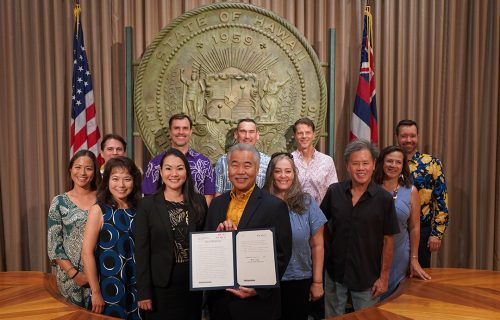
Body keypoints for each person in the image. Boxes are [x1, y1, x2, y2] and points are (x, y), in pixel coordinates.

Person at [205, 143, 292, 320]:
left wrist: (258, 288)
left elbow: (282, 255)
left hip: (257, 304)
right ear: (228, 168)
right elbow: (207, 248)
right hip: (220, 303)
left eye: (247, 165)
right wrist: (217, 235)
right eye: (235, 164)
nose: (240, 171)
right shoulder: (216, 204)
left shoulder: (275, 206)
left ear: (257, 168)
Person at [320, 139, 399, 316]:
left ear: (373, 165)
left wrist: (384, 277)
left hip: (368, 277)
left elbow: (388, 240)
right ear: (348, 166)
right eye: (356, 163)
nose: (361, 168)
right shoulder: (334, 192)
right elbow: (321, 226)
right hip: (335, 273)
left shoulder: (384, 199)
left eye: (365, 163)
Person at [135, 148, 207, 320]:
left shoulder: (199, 201)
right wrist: (144, 292)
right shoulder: (147, 204)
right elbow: (141, 251)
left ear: (187, 172)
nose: (174, 174)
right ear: (160, 172)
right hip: (160, 287)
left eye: (180, 168)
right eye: (168, 168)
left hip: (192, 286)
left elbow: (206, 240)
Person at [263, 152, 326, 320]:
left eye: (288, 171)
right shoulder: (259, 203)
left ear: (294, 174)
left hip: (299, 279)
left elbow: (317, 245)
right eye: (278, 171)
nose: (283, 176)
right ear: (271, 174)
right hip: (266, 281)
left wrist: (318, 282)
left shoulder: (307, 202)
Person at [82, 157, 142, 318]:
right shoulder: (99, 210)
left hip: (138, 286)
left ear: (134, 182)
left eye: (127, 179)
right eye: (115, 179)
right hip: (110, 287)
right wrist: (95, 292)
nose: (121, 185)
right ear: (107, 181)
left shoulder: (140, 209)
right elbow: (86, 253)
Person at [374, 146, 431, 300]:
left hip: (399, 255)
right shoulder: (370, 188)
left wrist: (414, 259)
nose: (393, 165)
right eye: (389, 161)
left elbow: (414, 227)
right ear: (381, 163)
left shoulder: (411, 191)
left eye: (398, 162)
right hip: (371, 256)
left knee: (395, 302)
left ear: (403, 166)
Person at [47, 150, 100, 308]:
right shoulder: (59, 202)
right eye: (78, 167)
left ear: (95, 171)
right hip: (70, 280)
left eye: (88, 168)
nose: (82, 173)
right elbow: (54, 245)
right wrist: (74, 274)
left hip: (101, 276)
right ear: (70, 169)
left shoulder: (104, 199)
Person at [395, 119, 449, 268]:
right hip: (392, 229)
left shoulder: (432, 163)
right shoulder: (390, 162)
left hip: (422, 230)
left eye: (412, 136)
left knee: (419, 279)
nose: (408, 140)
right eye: (404, 136)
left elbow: (441, 199)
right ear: (397, 138)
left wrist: (437, 233)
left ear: (418, 137)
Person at [141, 113, 215, 205]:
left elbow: (208, 196)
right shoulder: (155, 163)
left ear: (191, 131)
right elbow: (148, 196)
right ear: (170, 131)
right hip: (162, 217)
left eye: (185, 128)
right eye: (177, 128)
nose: (181, 132)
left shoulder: (204, 163)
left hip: (196, 217)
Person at [214, 118, 270, 196]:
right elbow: (218, 192)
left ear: (257, 135)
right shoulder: (223, 161)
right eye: (243, 131)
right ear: (236, 134)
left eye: (251, 132)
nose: (247, 136)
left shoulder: (268, 162)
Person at [291, 117, 338, 205]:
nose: (304, 136)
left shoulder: (327, 161)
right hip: (295, 214)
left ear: (314, 135)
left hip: (321, 214)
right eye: (300, 133)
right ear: (295, 136)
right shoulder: (289, 160)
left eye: (308, 133)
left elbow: (333, 191)